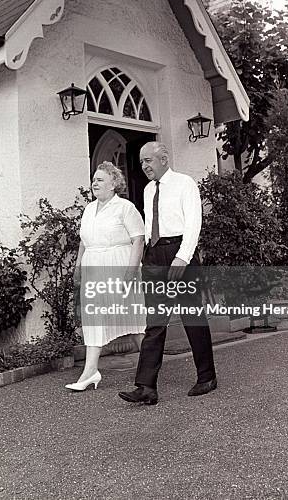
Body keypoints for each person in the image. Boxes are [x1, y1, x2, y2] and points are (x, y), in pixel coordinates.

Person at [118, 142, 217, 405]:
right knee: (155, 322)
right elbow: (151, 226)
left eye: (148, 160)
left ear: (164, 158)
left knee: (192, 317)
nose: (144, 166)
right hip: (155, 257)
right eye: (141, 162)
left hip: (179, 252)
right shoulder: (149, 189)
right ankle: (146, 387)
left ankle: (207, 377)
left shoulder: (185, 184)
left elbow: (194, 223)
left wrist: (182, 257)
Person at [65, 161, 146, 391]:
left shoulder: (125, 208)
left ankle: (149, 366)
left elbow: (138, 239)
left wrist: (131, 273)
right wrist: (78, 266)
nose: (94, 183)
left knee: (132, 319)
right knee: (94, 318)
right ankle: (90, 372)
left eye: (100, 179)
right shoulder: (89, 209)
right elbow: (84, 241)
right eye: (93, 179)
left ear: (113, 184)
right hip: (93, 267)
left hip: (118, 267)